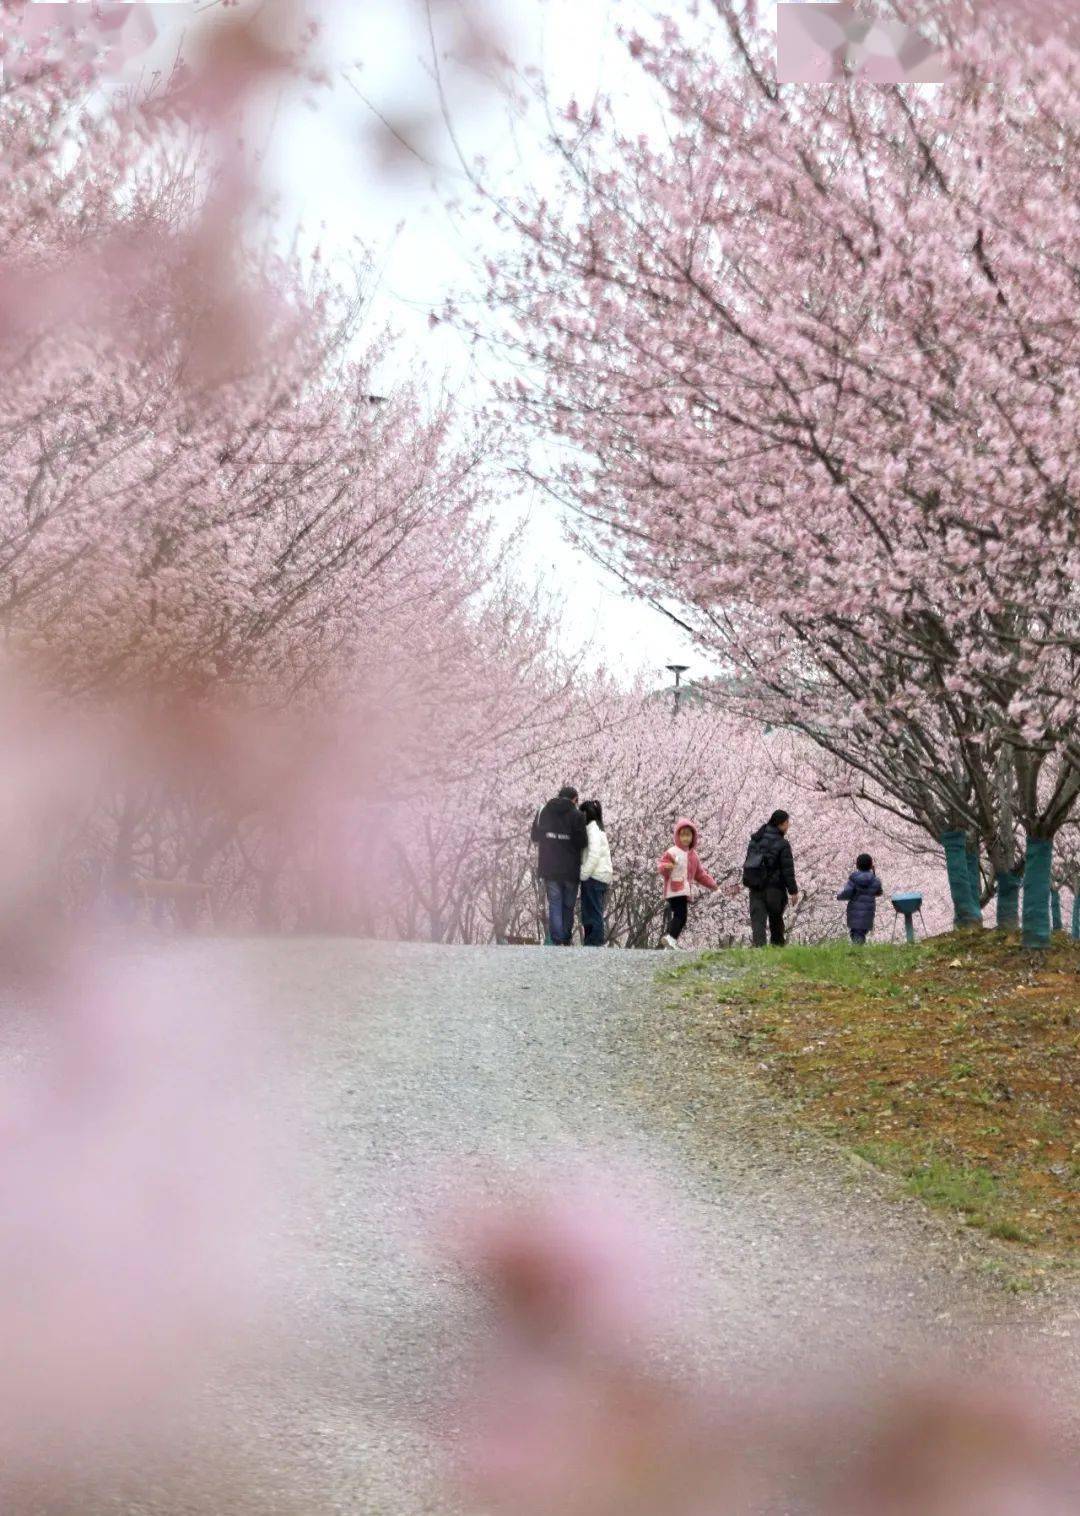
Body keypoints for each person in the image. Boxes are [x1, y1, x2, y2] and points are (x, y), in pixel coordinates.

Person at [530, 785, 588, 946]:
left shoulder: (544, 811)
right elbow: (582, 841)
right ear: (574, 799)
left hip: (549, 867)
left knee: (555, 903)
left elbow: (535, 836)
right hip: (570, 868)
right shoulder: (577, 815)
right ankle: (566, 937)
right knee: (568, 905)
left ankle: (557, 939)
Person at [657, 817, 718, 949]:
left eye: (688, 835)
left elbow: (700, 874)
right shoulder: (672, 851)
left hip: (684, 891)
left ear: (693, 837)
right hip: (674, 889)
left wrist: (713, 885)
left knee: (680, 916)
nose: (685, 838)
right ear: (677, 836)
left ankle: (670, 939)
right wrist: (667, 867)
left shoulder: (693, 856)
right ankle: (671, 938)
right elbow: (661, 866)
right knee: (681, 915)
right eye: (682, 834)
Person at [744, 810, 799, 947]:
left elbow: (748, 861)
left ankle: (759, 949)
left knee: (758, 920)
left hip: (755, 885)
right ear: (780, 824)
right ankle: (777, 948)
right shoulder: (782, 843)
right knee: (775, 919)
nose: (788, 826)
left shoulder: (755, 839)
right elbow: (787, 869)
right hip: (774, 888)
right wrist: (793, 890)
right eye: (787, 823)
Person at [578, 799, 613, 947]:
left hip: (594, 876)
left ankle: (594, 942)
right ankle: (592, 941)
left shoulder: (592, 829)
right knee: (593, 910)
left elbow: (594, 854)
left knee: (593, 912)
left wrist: (583, 874)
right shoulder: (598, 828)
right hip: (600, 875)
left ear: (585, 814)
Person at [837, 852, 883, 944]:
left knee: (856, 933)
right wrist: (873, 873)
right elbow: (879, 892)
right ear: (871, 865)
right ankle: (858, 952)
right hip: (868, 913)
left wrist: (839, 896)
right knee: (860, 933)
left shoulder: (854, 879)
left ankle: (858, 953)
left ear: (857, 865)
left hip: (854, 912)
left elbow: (847, 892)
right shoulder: (875, 880)